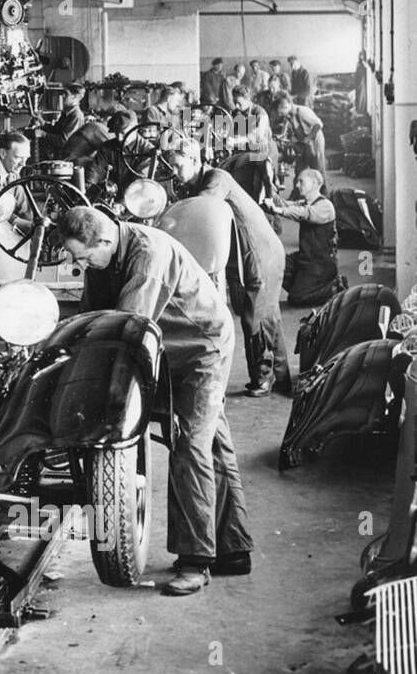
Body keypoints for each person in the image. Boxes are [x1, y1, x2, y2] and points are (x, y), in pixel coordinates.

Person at [58, 206, 253, 595]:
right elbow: (93, 317)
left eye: (84, 257)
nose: (81, 265)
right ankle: (234, 549)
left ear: (105, 240)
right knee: (212, 443)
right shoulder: (102, 257)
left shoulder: (148, 256)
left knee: (190, 446)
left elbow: (126, 329)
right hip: (169, 347)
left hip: (202, 348)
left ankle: (195, 561)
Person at [168, 139, 291, 397]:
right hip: (248, 254)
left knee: (254, 318)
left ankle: (263, 378)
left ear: (194, 160)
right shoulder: (197, 184)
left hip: (260, 252)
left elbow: (200, 211)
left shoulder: (217, 178)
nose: (174, 172)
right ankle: (282, 378)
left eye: (178, 166)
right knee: (268, 315)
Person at [265, 168, 345, 306]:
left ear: (314, 183)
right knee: (273, 264)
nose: (297, 185)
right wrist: (268, 188)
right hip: (305, 257)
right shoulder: (305, 203)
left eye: (301, 182)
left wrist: (279, 211)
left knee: (297, 298)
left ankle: (333, 287)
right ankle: (305, 286)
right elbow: (285, 204)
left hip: (321, 263)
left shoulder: (325, 206)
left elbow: (305, 214)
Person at [271, 92, 326, 174]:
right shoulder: (288, 115)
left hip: (314, 140)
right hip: (303, 143)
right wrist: (281, 136)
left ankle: (321, 182)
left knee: (317, 169)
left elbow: (319, 124)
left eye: (281, 113)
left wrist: (308, 138)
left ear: (286, 106)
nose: (280, 115)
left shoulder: (302, 111)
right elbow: (285, 126)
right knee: (300, 171)